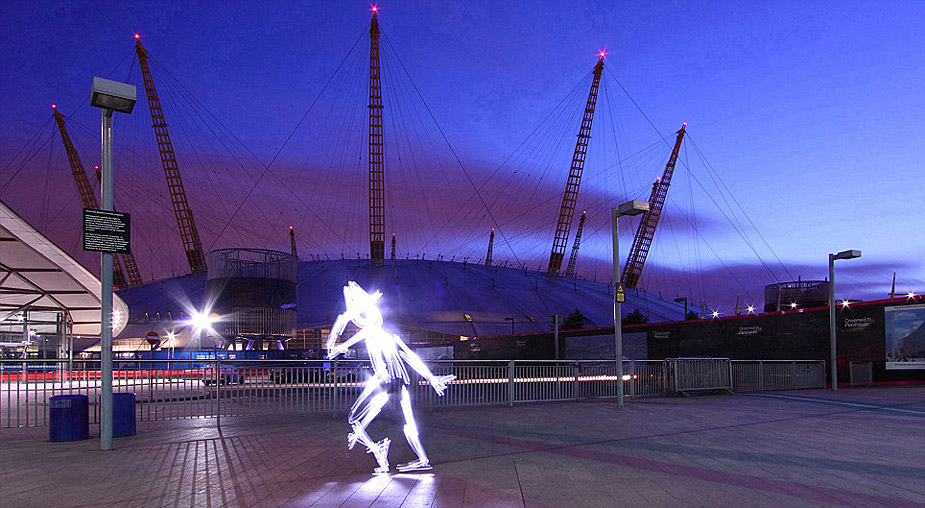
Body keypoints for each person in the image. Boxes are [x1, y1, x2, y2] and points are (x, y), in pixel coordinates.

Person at [326, 281, 455, 473]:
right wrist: (431, 378)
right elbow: (409, 356)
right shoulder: (387, 335)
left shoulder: (371, 332)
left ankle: (380, 451)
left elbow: (332, 349)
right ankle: (416, 458)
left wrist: (344, 318)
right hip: (398, 383)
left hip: (385, 383)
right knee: (404, 422)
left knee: (356, 420)